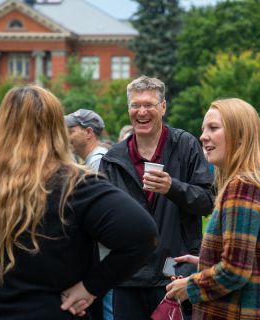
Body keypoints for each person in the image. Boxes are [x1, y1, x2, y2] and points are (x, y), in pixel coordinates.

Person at [0, 85, 158, 320]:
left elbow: (140, 234)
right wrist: (92, 287)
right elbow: (143, 234)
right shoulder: (75, 185)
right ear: (57, 130)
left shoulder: (74, 185)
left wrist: (91, 287)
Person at [99, 75, 214, 320]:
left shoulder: (185, 146)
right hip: (128, 275)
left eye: (149, 104)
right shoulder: (113, 159)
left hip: (175, 273)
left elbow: (207, 201)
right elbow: (99, 218)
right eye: (135, 105)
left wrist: (173, 187)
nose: (142, 111)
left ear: (163, 107)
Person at [166, 98, 260, 320]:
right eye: (203, 129)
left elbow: (234, 271)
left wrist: (190, 287)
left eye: (213, 128)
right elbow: (254, 257)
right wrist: (206, 260)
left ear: (241, 135)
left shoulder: (245, 186)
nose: (203, 136)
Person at [64, 109, 113, 319]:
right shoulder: (92, 161)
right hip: (102, 253)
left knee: (108, 310)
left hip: (104, 255)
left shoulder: (97, 162)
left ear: (89, 132)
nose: (67, 136)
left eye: (71, 130)